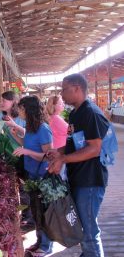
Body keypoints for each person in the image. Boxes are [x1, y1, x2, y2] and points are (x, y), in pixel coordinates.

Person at [47, 73, 110, 257]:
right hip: (78, 177)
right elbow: (74, 143)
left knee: (89, 229)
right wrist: (58, 152)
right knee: (82, 224)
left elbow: (94, 149)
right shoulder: (75, 113)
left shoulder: (91, 113)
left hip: (90, 180)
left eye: (64, 89)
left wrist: (63, 160)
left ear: (77, 88)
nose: (61, 93)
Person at [12, 95, 53, 257]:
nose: (19, 111)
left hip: (42, 176)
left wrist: (27, 152)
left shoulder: (43, 128)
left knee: (44, 212)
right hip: (32, 175)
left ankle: (46, 246)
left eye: (21, 108)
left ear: (28, 109)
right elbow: (26, 145)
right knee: (36, 211)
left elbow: (48, 154)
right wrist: (16, 136)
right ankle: (39, 241)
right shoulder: (31, 127)